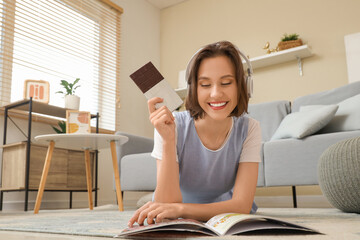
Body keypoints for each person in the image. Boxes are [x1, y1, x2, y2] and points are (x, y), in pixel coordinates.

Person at [128, 41, 262, 227]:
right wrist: (168, 140)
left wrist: (182, 210)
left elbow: (242, 205)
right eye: (205, 84)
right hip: (179, 206)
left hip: (221, 209)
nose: (216, 94)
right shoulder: (171, 124)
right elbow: (166, 205)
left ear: (243, 86)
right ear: (194, 89)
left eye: (226, 82)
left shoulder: (250, 128)